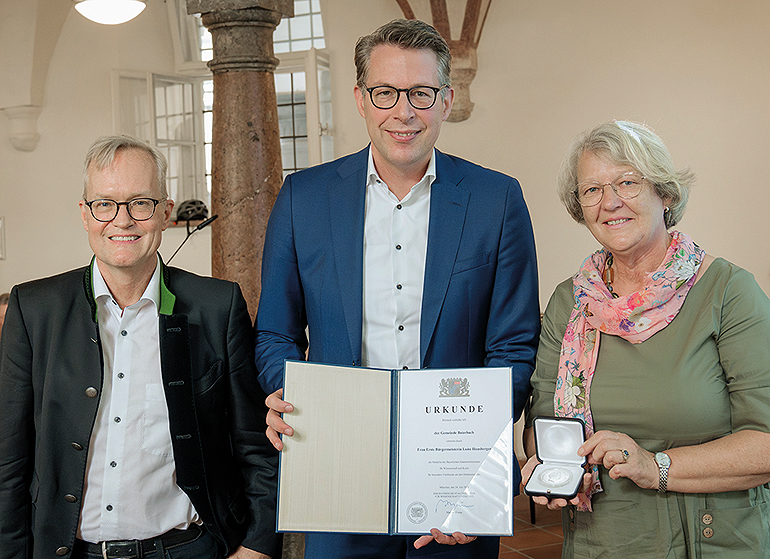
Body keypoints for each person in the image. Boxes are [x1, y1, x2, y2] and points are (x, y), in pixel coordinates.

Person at [254, 18, 540, 559]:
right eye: (385, 92)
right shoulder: (303, 200)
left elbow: (515, 345)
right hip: (338, 463)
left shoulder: (496, 200)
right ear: (361, 99)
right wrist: (284, 393)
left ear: (447, 99)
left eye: (421, 93)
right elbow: (274, 332)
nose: (403, 112)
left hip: (456, 473)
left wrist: (478, 451)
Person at [0, 135, 280, 559]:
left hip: (189, 549)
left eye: (140, 203)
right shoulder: (33, 309)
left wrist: (257, 547)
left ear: (165, 213)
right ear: (85, 214)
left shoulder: (217, 307)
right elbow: (9, 461)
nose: (122, 220)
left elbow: (255, 444)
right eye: (105, 203)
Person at [523, 120, 770, 557]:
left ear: (666, 194)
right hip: (600, 540)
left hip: (711, 539)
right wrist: (548, 466)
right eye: (592, 190)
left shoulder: (728, 291)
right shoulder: (569, 301)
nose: (610, 202)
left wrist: (653, 466)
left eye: (628, 182)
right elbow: (542, 425)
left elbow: (765, 443)